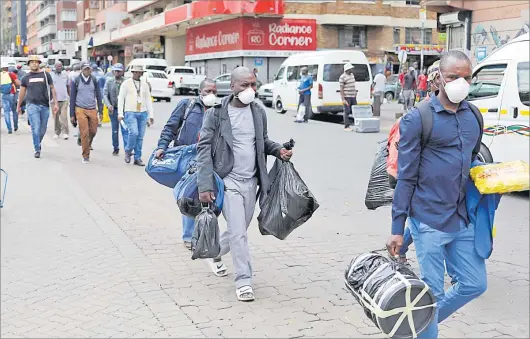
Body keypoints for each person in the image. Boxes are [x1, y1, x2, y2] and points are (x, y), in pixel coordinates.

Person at [386, 50, 486, 339]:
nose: (461, 83)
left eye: (467, 78)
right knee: (431, 292)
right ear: (438, 78)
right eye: (454, 77)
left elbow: (472, 157)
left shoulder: (474, 116)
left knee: (474, 283)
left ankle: (414, 325)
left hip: (462, 217)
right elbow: (406, 177)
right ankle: (423, 328)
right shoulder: (418, 118)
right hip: (428, 219)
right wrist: (396, 229)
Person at [196, 67, 292, 302]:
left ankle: (214, 251)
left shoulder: (258, 112)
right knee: (239, 233)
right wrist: (204, 186)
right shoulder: (217, 114)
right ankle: (244, 281)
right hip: (228, 182)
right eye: (244, 85)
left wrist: (278, 150)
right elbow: (203, 149)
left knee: (238, 231)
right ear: (232, 87)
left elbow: (263, 141)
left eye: (253, 85)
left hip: (252, 182)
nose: (250, 90)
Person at [155, 79, 218, 250]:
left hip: (209, 160)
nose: (211, 94)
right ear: (200, 91)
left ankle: (204, 233)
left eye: (214, 91)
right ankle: (189, 237)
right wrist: (162, 147)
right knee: (189, 196)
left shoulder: (218, 110)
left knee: (207, 196)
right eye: (207, 91)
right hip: (187, 158)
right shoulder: (187, 106)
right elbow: (170, 127)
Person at [17, 56, 59, 158]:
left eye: (36, 62)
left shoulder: (46, 75)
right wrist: (18, 106)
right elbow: (22, 92)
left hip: (45, 105)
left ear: (39, 63)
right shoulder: (25, 78)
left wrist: (56, 103)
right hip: (31, 105)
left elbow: (53, 89)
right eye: (32, 62)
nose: (34, 64)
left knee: (42, 129)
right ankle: (37, 149)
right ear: (29, 64)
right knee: (35, 128)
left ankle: (38, 141)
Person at [117, 65, 154, 166]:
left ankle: (137, 157)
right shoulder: (126, 84)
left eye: (140, 72)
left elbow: (148, 99)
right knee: (134, 133)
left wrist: (151, 115)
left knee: (140, 137)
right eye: (136, 72)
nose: (138, 74)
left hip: (142, 112)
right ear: (132, 73)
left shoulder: (144, 84)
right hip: (130, 112)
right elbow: (121, 99)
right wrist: (120, 113)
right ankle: (128, 150)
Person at [69, 62, 103, 164]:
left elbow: (98, 95)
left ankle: (87, 143)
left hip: (92, 108)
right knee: (84, 132)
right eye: (85, 69)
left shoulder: (94, 80)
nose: (87, 71)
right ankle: (85, 155)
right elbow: (72, 98)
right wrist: (72, 114)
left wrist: (100, 110)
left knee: (93, 131)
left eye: (89, 69)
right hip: (80, 108)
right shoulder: (76, 80)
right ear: (81, 70)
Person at [103, 63, 128, 156]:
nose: (117, 73)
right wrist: (108, 105)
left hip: (124, 109)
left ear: (122, 72)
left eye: (119, 71)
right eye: (116, 71)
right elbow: (105, 94)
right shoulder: (109, 81)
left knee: (125, 130)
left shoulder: (126, 82)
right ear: (113, 72)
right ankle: (115, 147)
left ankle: (127, 149)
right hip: (113, 109)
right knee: (115, 130)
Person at [50, 61, 70, 140]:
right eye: (58, 66)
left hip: (64, 99)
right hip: (54, 100)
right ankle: (57, 132)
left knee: (64, 116)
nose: (59, 67)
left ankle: (65, 132)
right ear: (55, 67)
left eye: (60, 66)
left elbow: (68, 86)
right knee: (56, 117)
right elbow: (49, 88)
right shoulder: (51, 76)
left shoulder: (65, 75)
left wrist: (70, 96)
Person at [1, 62, 20, 134]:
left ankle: (9, 129)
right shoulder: (10, 74)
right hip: (11, 94)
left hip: (3, 95)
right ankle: (15, 126)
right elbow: (18, 83)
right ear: (7, 68)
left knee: (6, 112)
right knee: (14, 111)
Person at [340, 63, 357, 131]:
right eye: (350, 69)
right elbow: (341, 89)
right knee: (347, 111)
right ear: (347, 69)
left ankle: (357, 125)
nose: (352, 69)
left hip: (353, 96)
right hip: (347, 96)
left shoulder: (352, 75)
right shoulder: (342, 77)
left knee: (355, 111)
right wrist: (343, 99)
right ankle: (346, 126)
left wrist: (355, 92)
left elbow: (353, 84)